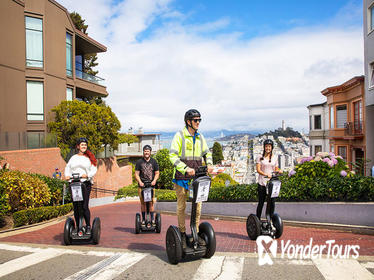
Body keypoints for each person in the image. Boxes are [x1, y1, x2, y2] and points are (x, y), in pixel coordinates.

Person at [169, 109, 213, 248]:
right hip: (182, 177)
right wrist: (185, 168)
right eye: (196, 120)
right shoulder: (180, 136)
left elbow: (207, 152)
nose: (198, 123)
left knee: (198, 207)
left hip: (197, 178)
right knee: (182, 206)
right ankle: (182, 234)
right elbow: (172, 156)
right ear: (189, 122)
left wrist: (210, 164)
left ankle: (196, 233)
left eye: (200, 120)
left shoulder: (200, 137)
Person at [65, 137, 97, 234]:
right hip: (74, 183)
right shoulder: (73, 158)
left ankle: (87, 226)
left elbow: (94, 169)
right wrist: (67, 175)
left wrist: (87, 175)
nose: (84, 146)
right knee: (76, 206)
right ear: (78, 146)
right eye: (82, 145)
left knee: (84, 206)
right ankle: (78, 226)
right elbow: (68, 167)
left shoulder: (89, 157)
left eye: (85, 145)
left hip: (85, 183)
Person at [255, 139, 282, 220]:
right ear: (264, 147)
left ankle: (270, 220)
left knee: (272, 203)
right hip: (262, 183)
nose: (268, 148)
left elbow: (276, 168)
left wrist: (279, 171)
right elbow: (258, 170)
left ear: (272, 147)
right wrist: (266, 174)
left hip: (271, 183)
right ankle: (258, 220)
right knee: (261, 202)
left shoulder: (274, 157)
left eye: (269, 146)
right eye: (266, 146)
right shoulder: (259, 157)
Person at [135, 144, 160, 226]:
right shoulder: (139, 162)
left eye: (148, 151)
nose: (146, 152)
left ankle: (152, 219)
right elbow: (136, 174)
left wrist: (154, 180)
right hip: (142, 186)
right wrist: (140, 182)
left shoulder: (154, 161)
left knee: (151, 202)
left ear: (150, 152)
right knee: (143, 203)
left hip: (151, 185)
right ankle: (143, 219)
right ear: (143, 152)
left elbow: (157, 173)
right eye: (145, 151)